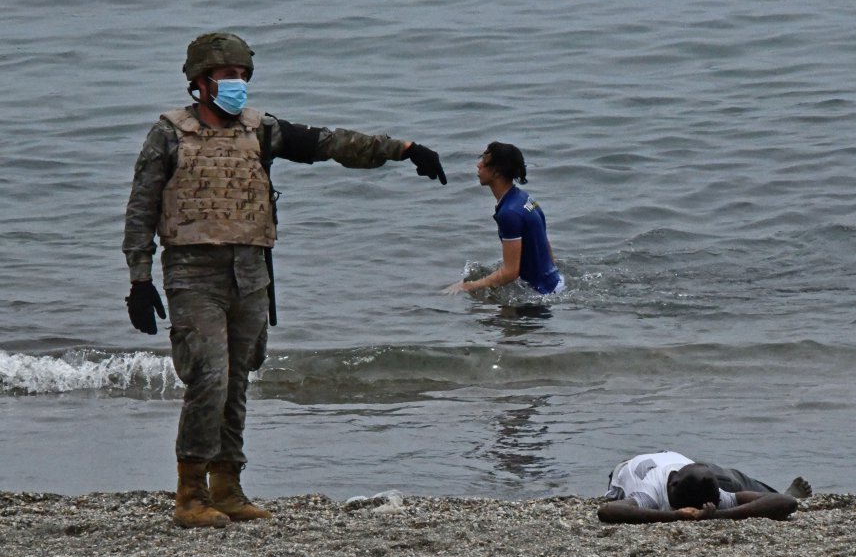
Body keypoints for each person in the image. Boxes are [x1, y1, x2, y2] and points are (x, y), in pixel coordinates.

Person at [122, 32, 447, 529]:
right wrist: (140, 278)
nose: (237, 84)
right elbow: (142, 207)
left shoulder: (262, 131)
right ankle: (190, 493)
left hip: (251, 273)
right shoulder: (169, 133)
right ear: (200, 83)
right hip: (193, 273)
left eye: (241, 75)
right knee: (207, 376)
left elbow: (332, 144)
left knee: (236, 379)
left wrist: (403, 149)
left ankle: (226, 487)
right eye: (226, 76)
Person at [442, 142, 563, 296]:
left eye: (484, 162)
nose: (478, 165)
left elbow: (510, 273)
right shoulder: (525, 198)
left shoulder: (509, 213)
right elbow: (545, 245)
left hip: (541, 294)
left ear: (497, 171)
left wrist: (467, 287)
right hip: (556, 282)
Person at [598, 450, 812, 523]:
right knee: (734, 482)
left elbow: (787, 504)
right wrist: (675, 517)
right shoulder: (650, 490)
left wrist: (719, 516)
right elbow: (608, 511)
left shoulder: (713, 495)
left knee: (732, 479)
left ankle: (769, 490)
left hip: (686, 466)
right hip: (633, 465)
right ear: (671, 484)